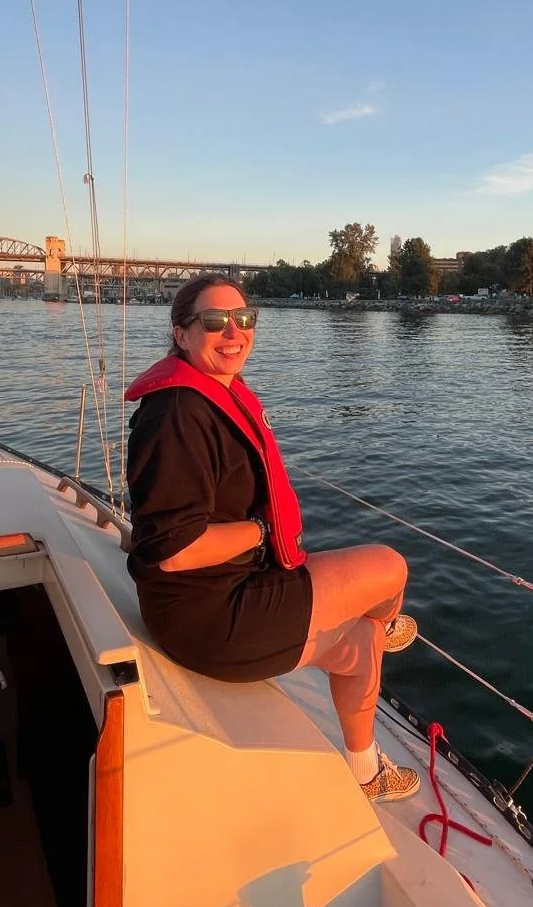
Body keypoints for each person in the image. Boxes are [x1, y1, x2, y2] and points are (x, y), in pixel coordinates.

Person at [125, 274, 420, 802]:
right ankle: (387, 617)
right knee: (389, 567)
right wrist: (264, 529)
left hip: (218, 602)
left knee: (359, 643)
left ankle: (365, 771)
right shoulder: (175, 416)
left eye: (244, 319)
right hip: (209, 615)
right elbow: (173, 551)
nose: (233, 332)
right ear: (181, 335)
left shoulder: (214, 394)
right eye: (214, 322)